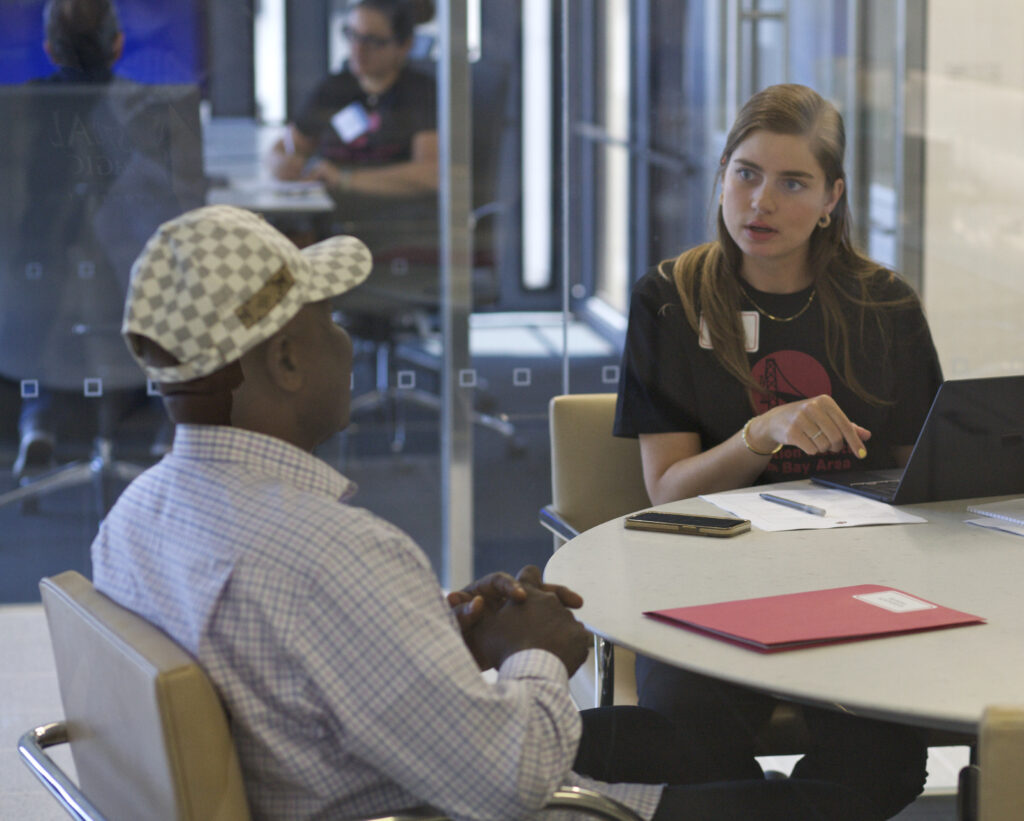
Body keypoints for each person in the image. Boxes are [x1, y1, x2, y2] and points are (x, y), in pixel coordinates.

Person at [93, 203, 897, 821]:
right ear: (288, 360)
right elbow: (510, 778)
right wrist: (536, 650)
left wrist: (447, 633)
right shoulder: (328, 551)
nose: (343, 343)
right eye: (330, 322)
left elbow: (292, 666)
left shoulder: (135, 517)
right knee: (860, 776)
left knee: (675, 739)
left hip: (367, 773)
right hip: (463, 800)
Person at [614, 84, 939, 817]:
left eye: (793, 182)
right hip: (709, 579)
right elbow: (667, 489)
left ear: (833, 197)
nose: (761, 200)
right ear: (722, 173)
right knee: (687, 739)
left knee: (887, 758)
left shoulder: (883, 304)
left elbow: (927, 478)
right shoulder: (671, 298)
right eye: (746, 172)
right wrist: (761, 432)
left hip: (851, 584)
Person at [9, 0, 126, 479]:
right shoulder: (142, 107)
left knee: (41, 312)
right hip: (126, 274)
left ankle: (37, 419)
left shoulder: (18, 112)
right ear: (116, 45)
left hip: (31, 269)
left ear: (48, 49)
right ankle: (157, 427)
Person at [268, 0, 438, 248]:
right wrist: (282, 165)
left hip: (386, 225)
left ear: (404, 45)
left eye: (373, 41)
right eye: (352, 36)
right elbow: (284, 148)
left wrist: (345, 179)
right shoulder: (335, 87)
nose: (357, 49)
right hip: (323, 219)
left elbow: (431, 174)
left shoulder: (419, 92)